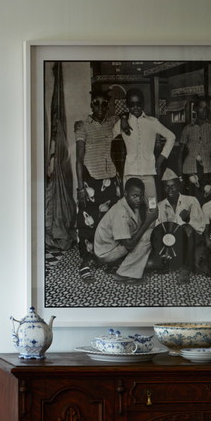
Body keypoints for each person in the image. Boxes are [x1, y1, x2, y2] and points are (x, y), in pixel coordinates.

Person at [72, 88, 122, 282]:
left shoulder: (111, 123)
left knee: (108, 221)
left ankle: (106, 258)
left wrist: (122, 118)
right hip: (91, 181)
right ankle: (86, 261)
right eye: (96, 103)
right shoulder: (82, 126)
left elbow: (122, 118)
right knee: (87, 223)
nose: (100, 107)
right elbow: (78, 159)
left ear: (108, 106)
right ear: (91, 104)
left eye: (104, 103)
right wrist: (80, 188)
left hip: (110, 180)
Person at [112, 88, 176, 208]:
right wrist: (122, 118)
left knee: (152, 205)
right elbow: (109, 138)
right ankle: (134, 227)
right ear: (127, 105)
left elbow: (171, 137)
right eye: (132, 104)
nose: (135, 107)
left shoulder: (152, 122)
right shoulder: (122, 123)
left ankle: (151, 227)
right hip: (130, 173)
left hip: (148, 173)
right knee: (129, 207)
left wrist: (160, 159)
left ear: (143, 104)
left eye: (138, 104)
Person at [93, 178, 157, 283]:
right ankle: (123, 274)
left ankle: (119, 264)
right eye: (135, 196)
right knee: (148, 235)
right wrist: (148, 222)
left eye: (140, 196)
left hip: (113, 245)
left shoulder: (131, 204)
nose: (139, 199)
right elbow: (129, 245)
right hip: (107, 252)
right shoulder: (120, 212)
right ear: (125, 193)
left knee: (147, 233)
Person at [148, 169, 202, 282]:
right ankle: (169, 261)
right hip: (172, 244)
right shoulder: (161, 206)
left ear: (179, 186)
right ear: (163, 188)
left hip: (192, 241)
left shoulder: (191, 201)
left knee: (187, 229)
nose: (170, 190)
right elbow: (159, 229)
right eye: (167, 187)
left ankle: (185, 269)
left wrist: (187, 222)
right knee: (150, 264)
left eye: (173, 186)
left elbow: (200, 227)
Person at [177, 96, 211, 202]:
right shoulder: (187, 129)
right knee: (191, 202)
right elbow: (180, 153)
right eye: (202, 108)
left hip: (207, 170)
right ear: (195, 109)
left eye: (207, 108)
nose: (205, 111)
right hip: (189, 169)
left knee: (206, 200)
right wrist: (180, 176)